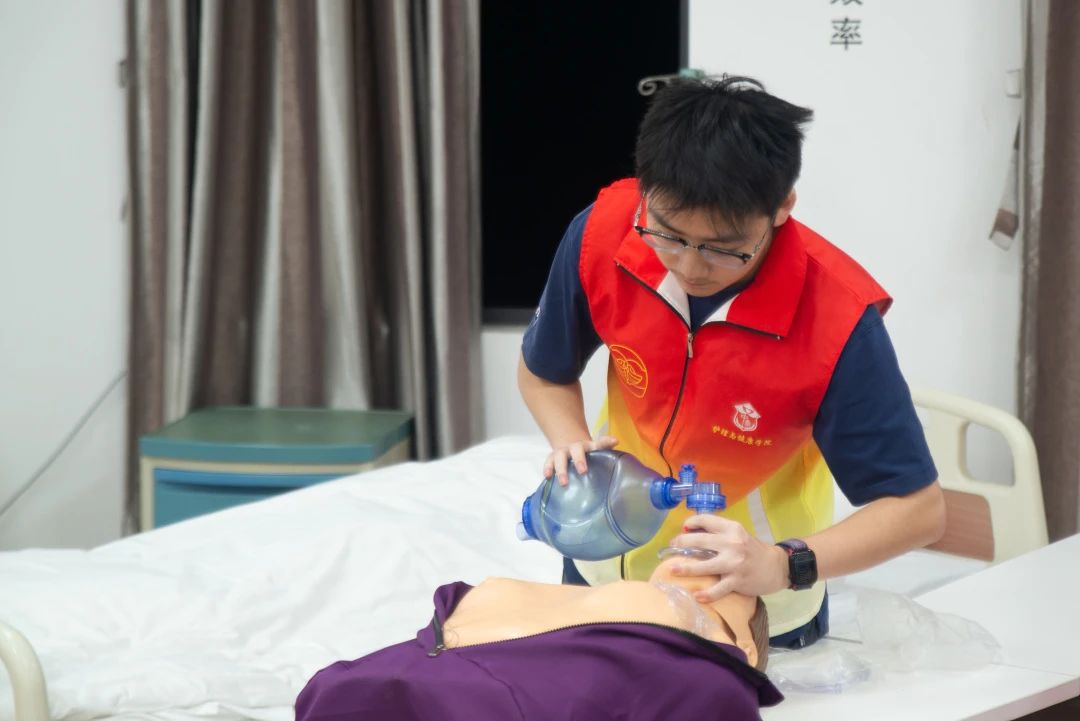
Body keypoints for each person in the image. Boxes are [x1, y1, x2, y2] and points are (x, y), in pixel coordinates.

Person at [517, 75, 946, 648]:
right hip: (605, 567)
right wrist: (571, 442)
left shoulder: (837, 319)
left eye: (723, 248)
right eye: (668, 235)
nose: (690, 268)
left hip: (747, 603)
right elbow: (544, 372)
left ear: (782, 206)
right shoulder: (603, 232)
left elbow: (918, 510)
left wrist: (785, 564)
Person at [295, 550, 783, 721]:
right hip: (379, 684)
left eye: (730, 589)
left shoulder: (709, 673)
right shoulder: (573, 601)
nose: (706, 569)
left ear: (742, 649)